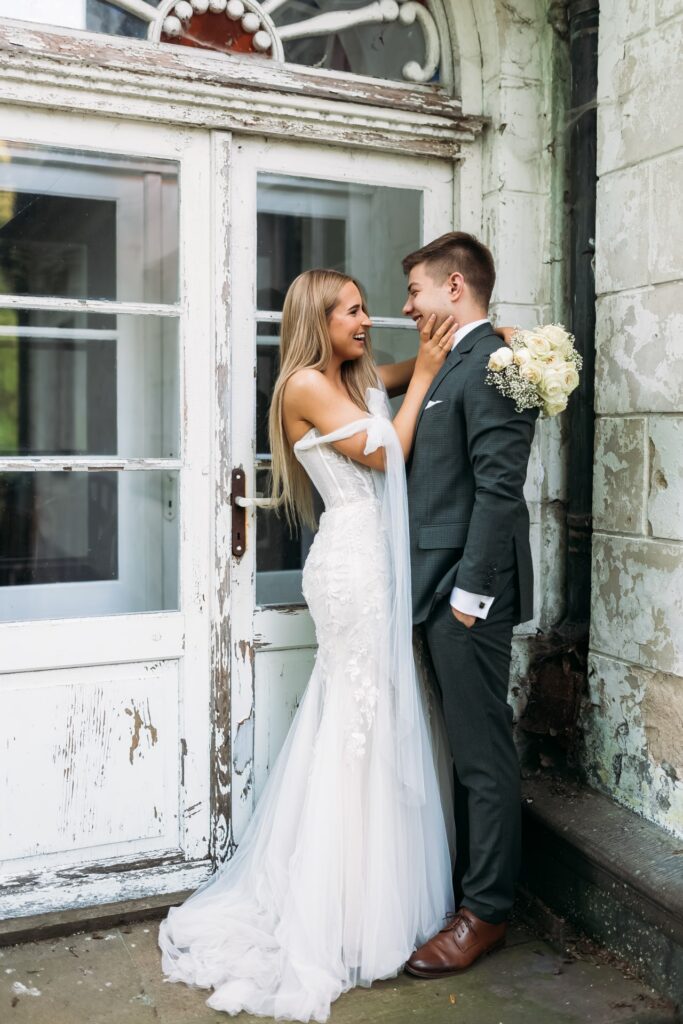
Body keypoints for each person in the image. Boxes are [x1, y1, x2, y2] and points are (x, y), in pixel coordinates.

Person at [159, 269, 461, 1023]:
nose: (367, 320)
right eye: (353, 311)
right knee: (356, 718)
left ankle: (372, 890)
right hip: (353, 569)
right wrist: (428, 372)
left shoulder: (347, 378)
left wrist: (468, 345)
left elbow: (391, 377)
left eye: (366, 309)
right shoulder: (302, 385)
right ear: (318, 319)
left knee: (378, 711)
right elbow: (388, 449)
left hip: (375, 565)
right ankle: (341, 906)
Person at [400, 233, 538, 978]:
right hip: (436, 588)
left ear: (454, 288)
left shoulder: (493, 364)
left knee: (482, 755)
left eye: (415, 290)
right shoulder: (457, 358)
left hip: (466, 594)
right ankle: (464, 893)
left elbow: (498, 489)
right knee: (461, 749)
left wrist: (467, 600)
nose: (406, 306)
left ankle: (486, 914)